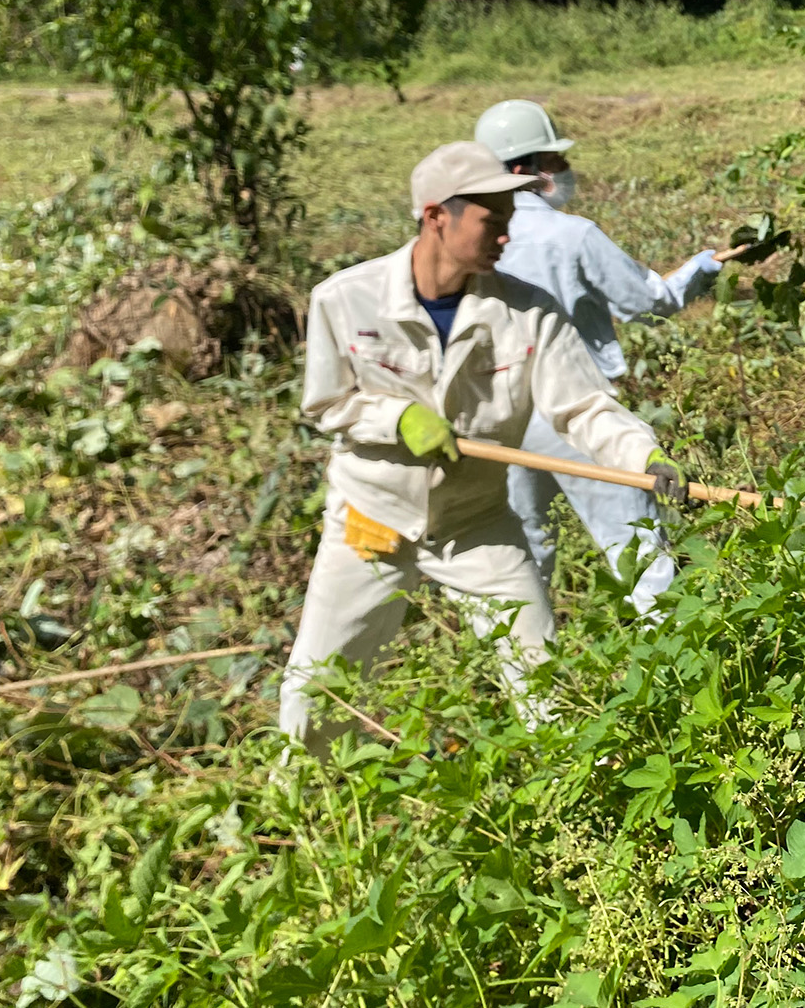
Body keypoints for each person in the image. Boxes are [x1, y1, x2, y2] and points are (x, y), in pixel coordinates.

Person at [278, 140, 690, 752]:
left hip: (476, 524)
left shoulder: (528, 313)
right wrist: (397, 419)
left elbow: (582, 407)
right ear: (435, 215)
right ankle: (294, 810)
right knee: (318, 687)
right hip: (373, 520)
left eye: (508, 221)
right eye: (491, 221)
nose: (505, 235)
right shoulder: (345, 299)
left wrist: (641, 455)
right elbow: (326, 403)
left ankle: (566, 810)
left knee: (545, 682)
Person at [472, 99, 751, 615]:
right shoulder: (572, 235)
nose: (564, 172)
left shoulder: (473, 241)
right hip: (577, 416)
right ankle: (673, 669)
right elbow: (649, 303)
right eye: (554, 161)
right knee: (639, 544)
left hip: (501, 417)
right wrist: (703, 267)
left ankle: (525, 673)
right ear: (521, 170)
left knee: (523, 553)